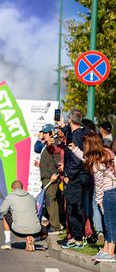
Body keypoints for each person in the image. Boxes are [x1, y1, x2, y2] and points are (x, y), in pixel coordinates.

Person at [70, 132, 116, 262]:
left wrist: (99, 202)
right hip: (113, 190)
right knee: (108, 223)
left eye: (85, 145)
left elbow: (99, 184)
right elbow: (85, 157)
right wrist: (74, 149)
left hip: (109, 193)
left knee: (110, 224)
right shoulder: (106, 153)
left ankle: (110, 253)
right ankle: (106, 249)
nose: (83, 147)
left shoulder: (96, 162)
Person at [59, 109, 91, 248]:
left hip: (75, 177)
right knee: (76, 206)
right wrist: (62, 126)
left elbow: (76, 161)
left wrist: (68, 176)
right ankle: (76, 236)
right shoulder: (84, 131)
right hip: (84, 175)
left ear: (70, 119)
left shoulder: (77, 136)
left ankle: (77, 238)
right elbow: (70, 130)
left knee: (73, 207)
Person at [0, 180, 44, 252]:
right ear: (22, 188)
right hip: (35, 230)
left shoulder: (10, 197)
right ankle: (33, 238)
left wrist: (11, 212)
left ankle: (8, 243)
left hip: (18, 230)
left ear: (12, 189)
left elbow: (1, 211)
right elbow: (36, 211)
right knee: (45, 231)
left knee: (5, 216)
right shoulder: (30, 196)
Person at [38, 124, 63, 233]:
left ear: (51, 133)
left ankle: (55, 226)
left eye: (45, 133)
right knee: (48, 201)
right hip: (46, 177)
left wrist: (56, 173)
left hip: (51, 177)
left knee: (50, 200)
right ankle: (54, 223)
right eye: (43, 132)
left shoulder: (54, 143)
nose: (43, 134)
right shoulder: (47, 144)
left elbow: (58, 160)